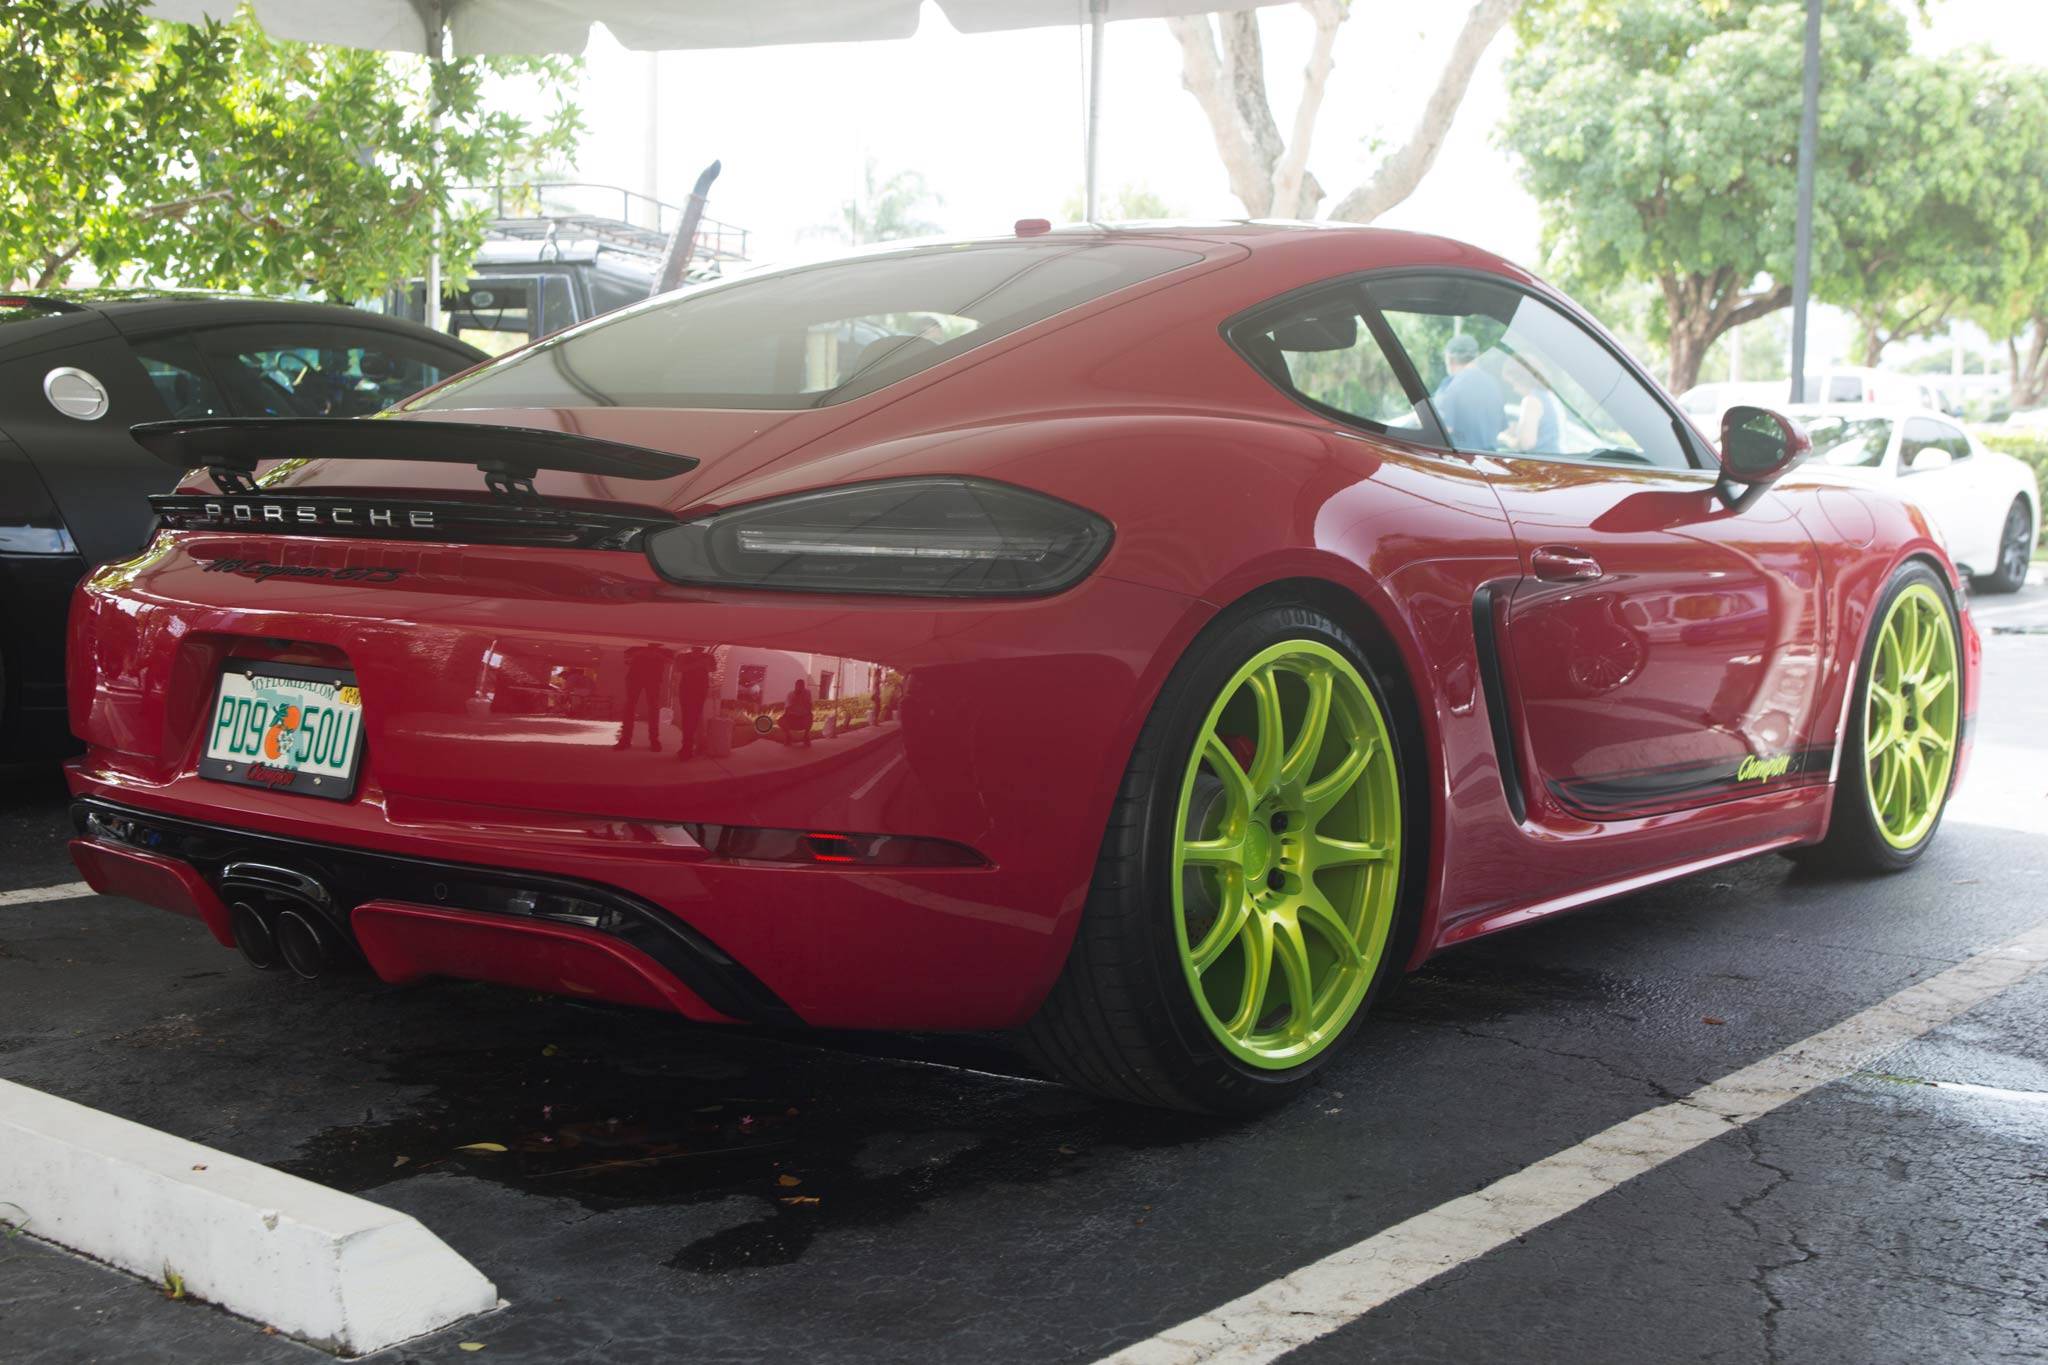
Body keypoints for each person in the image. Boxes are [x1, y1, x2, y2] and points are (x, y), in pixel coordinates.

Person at [1434, 334, 1507, 450]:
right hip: (1490, 461)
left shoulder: (1450, 384)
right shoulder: (1493, 384)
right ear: (1477, 356)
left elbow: (1441, 427)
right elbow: (1501, 426)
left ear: (1450, 359)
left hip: (1460, 460)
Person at [1500, 356, 1560, 454]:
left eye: (1513, 383)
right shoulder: (1549, 396)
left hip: (1540, 461)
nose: (1514, 389)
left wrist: (1505, 438)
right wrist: (1518, 429)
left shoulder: (1531, 401)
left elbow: (1526, 445)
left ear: (1522, 379)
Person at [613, 644, 667, 751]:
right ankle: (627, 739)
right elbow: (626, 660)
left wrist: (654, 654)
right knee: (631, 707)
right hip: (637, 677)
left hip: (651, 679)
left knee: (651, 708)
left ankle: (652, 740)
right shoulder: (635, 649)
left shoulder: (663, 651)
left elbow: (671, 661)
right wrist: (643, 653)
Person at [674, 647, 715, 760]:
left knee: (695, 717)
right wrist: (699, 664)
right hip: (686, 690)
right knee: (687, 717)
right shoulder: (684, 656)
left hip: (700, 690)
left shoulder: (709, 656)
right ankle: (687, 746)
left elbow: (712, 669)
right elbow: (679, 668)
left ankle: (692, 746)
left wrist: (699, 665)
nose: (698, 649)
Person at [781, 677, 815, 748]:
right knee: (781, 720)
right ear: (795, 686)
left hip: (804, 716)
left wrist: (804, 699)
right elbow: (787, 709)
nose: (800, 688)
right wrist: (795, 698)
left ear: (804, 686)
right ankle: (788, 737)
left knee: (810, 716)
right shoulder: (790, 694)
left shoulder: (807, 693)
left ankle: (806, 737)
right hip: (793, 716)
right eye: (798, 686)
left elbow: (810, 707)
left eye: (802, 686)